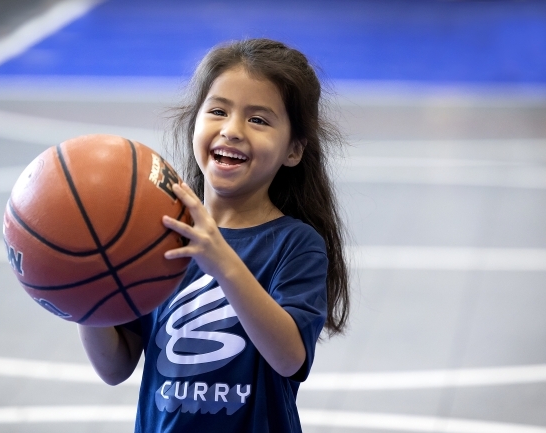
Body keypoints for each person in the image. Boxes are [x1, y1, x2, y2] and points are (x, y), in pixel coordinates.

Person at [78, 38, 350, 432]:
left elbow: (290, 358)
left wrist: (223, 262)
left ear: (293, 150)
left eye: (258, 119)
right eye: (218, 111)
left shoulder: (296, 244)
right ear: (195, 123)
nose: (232, 130)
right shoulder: (157, 231)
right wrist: (83, 293)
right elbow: (114, 367)